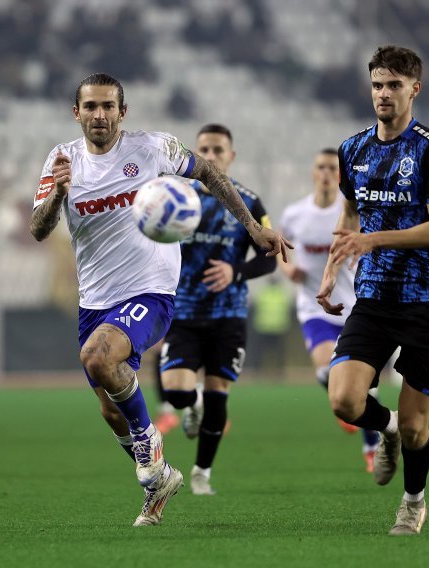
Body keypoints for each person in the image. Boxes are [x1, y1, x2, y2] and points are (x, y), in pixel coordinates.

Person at [30, 74, 290, 526]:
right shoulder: (61, 161)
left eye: (108, 106)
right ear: (76, 113)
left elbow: (209, 173)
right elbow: (38, 228)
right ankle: (159, 480)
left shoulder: (153, 149)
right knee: (111, 409)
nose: (99, 114)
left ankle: (150, 449)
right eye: (90, 106)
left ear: (122, 112)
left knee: (96, 357)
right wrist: (57, 195)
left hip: (151, 291)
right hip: (95, 301)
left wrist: (253, 228)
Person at [316, 46, 429, 535]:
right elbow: (351, 215)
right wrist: (331, 269)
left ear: (414, 89)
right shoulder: (352, 149)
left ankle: (414, 501)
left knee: (420, 426)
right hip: (375, 297)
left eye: (394, 85)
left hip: (428, 298)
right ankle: (389, 430)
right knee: (343, 400)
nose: (383, 93)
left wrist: (371, 239)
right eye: (378, 84)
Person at [159, 123, 277, 495]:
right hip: (183, 312)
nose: (210, 157)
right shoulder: (176, 198)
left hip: (228, 315)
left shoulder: (250, 202)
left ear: (231, 156)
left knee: (218, 392)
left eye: (218, 150)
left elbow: (270, 259)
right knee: (176, 391)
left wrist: (235, 270)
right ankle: (188, 404)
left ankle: (201, 473)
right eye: (204, 150)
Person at [279, 148, 380, 473]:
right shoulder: (295, 214)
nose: (325, 173)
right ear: (313, 172)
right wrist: (288, 270)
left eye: (332, 168)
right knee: (325, 368)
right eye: (320, 167)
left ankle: (371, 443)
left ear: (340, 174)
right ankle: (343, 402)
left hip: (354, 306)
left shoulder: (351, 210)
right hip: (314, 307)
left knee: (364, 386)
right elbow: (278, 249)